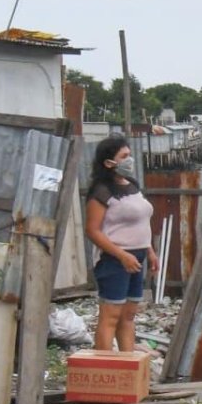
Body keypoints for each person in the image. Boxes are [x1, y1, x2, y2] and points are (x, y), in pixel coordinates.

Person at [84, 136, 158, 353]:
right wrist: (121, 255)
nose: (130, 160)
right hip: (114, 260)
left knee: (128, 315)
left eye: (129, 155)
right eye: (124, 156)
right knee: (111, 316)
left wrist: (150, 251)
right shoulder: (102, 192)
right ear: (109, 163)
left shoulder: (132, 186)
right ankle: (104, 368)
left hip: (138, 257)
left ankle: (127, 366)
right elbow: (92, 230)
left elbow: (141, 223)